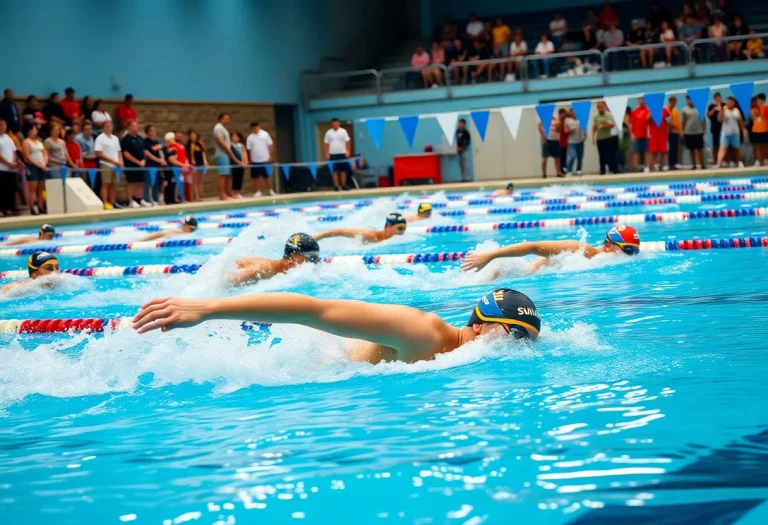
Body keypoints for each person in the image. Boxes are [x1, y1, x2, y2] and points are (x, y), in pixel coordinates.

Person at [133, 285, 541, 364]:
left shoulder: (461, 361)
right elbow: (316, 310)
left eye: (527, 339)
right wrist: (207, 308)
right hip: (310, 364)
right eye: (515, 333)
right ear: (480, 324)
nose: (520, 346)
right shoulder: (424, 331)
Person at [462, 225, 641, 276]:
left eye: (634, 252)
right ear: (608, 245)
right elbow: (532, 246)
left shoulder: (600, 265)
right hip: (508, 271)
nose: (629, 256)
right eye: (627, 251)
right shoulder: (582, 251)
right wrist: (489, 256)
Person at [231, 233, 321, 286]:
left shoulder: (277, 272)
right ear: (294, 256)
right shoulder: (264, 268)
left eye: (316, 259)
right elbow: (229, 280)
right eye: (311, 258)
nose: (314, 263)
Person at [314, 213, 407, 244]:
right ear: (388, 226)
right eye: (400, 228)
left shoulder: (393, 240)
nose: (402, 232)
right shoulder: (370, 235)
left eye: (404, 228)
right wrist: (319, 236)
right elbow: (340, 231)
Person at [120, 119, 150, 208]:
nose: (135, 128)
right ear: (129, 127)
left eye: (136, 126)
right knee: (131, 183)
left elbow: (144, 151)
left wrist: (144, 160)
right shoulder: (126, 139)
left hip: (141, 164)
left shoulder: (140, 138)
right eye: (132, 126)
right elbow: (126, 154)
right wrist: (137, 162)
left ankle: (139, 199)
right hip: (131, 165)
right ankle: (130, 200)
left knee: (140, 182)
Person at [94, 120, 123, 209]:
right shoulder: (100, 138)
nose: (109, 128)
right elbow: (99, 153)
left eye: (110, 126)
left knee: (114, 184)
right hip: (106, 164)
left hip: (116, 165)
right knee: (106, 183)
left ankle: (113, 202)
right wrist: (112, 161)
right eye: (106, 126)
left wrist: (121, 161)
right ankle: (105, 202)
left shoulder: (115, 138)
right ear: (103, 127)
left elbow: (119, 152)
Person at [21, 121, 48, 215]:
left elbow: (45, 153)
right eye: (34, 129)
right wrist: (38, 164)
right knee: (33, 189)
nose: (36, 131)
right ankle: (32, 207)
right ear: (29, 131)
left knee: (41, 188)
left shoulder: (39, 141)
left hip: (42, 167)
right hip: (32, 167)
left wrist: (44, 162)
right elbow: (27, 157)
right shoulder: (26, 142)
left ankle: (40, 206)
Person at [246, 121, 275, 198]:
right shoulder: (250, 137)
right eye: (253, 128)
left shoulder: (265, 134)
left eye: (256, 127)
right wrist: (250, 159)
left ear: (258, 126)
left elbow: (270, 145)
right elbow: (249, 149)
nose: (255, 129)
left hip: (265, 159)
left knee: (266, 176)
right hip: (255, 160)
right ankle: (258, 191)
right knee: (256, 177)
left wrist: (270, 156)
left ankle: (270, 190)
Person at [716, 96, 745, 168]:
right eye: (727, 101)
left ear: (733, 103)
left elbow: (740, 121)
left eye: (730, 101)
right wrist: (722, 110)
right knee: (722, 148)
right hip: (725, 133)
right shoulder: (724, 110)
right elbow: (719, 120)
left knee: (736, 148)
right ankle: (718, 164)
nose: (728, 103)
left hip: (735, 132)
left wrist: (743, 130)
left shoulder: (736, 111)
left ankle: (740, 162)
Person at [214, 113, 237, 200]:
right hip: (222, 154)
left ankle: (227, 192)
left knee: (227, 174)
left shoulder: (223, 128)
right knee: (223, 174)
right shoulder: (218, 128)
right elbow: (221, 142)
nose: (228, 120)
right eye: (226, 118)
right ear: (221, 119)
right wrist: (229, 151)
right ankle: (222, 195)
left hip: (226, 154)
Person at [324, 118, 351, 191]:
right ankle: (336, 186)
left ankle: (344, 185)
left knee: (343, 171)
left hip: (342, 153)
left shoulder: (343, 131)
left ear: (338, 123)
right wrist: (327, 153)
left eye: (337, 123)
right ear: (332, 124)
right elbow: (326, 143)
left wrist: (348, 151)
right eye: (334, 123)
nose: (335, 124)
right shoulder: (328, 133)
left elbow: (347, 141)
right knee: (334, 171)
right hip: (333, 154)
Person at [592, 101, 619, 174]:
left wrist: (602, 125)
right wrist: (593, 137)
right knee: (601, 155)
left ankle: (612, 169)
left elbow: (611, 125)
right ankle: (602, 170)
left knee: (610, 154)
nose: (599, 109)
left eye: (600, 107)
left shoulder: (608, 115)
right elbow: (594, 127)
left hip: (608, 138)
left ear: (604, 107)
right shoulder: (596, 117)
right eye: (598, 107)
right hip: (599, 138)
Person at [143, 124, 166, 206]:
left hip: (157, 165)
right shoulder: (145, 142)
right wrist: (158, 160)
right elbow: (147, 153)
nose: (154, 132)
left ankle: (156, 199)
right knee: (148, 182)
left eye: (154, 131)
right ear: (147, 132)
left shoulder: (156, 142)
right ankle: (147, 200)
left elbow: (160, 152)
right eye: (152, 131)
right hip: (150, 165)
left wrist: (162, 160)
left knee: (156, 183)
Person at [682, 95, 706, 169]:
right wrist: (682, 132)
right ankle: (694, 165)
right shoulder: (684, 110)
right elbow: (683, 122)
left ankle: (702, 164)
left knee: (700, 149)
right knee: (691, 150)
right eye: (688, 100)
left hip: (699, 131)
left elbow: (703, 120)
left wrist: (704, 129)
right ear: (686, 100)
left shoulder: (699, 108)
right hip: (689, 132)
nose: (690, 101)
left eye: (691, 99)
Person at [0, 119, 18, 216]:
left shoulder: (8, 138)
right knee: (1, 190)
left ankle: (8, 208)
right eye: (1, 125)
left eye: (4, 126)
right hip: (1, 168)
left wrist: (13, 162)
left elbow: (13, 151)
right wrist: (7, 163)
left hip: (10, 169)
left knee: (10, 189)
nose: (3, 127)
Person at [537, 113, 563, 178]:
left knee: (557, 157)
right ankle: (544, 173)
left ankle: (558, 172)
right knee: (545, 157)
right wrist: (543, 136)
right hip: (547, 140)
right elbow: (539, 126)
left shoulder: (556, 120)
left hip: (555, 140)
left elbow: (559, 130)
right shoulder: (544, 120)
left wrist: (557, 126)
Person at [648, 101, 671, 171]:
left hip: (663, 134)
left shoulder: (665, 111)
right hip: (654, 134)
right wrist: (650, 115)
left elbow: (669, 121)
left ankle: (664, 165)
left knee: (663, 151)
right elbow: (648, 121)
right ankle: (653, 166)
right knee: (653, 151)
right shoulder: (651, 111)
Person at [185, 129, 207, 202]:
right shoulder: (188, 145)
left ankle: (199, 195)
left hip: (201, 163)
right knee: (194, 181)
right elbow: (189, 154)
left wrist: (205, 161)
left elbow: (203, 153)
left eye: (194, 134)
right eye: (192, 135)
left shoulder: (199, 144)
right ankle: (195, 196)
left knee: (200, 181)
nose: (193, 136)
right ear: (189, 136)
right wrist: (192, 160)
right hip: (194, 164)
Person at [629, 97, 651, 172]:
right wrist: (631, 134)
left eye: (642, 99)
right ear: (637, 101)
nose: (641, 101)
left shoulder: (649, 111)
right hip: (636, 135)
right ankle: (636, 167)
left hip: (646, 135)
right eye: (639, 100)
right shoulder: (634, 112)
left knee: (647, 151)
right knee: (636, 152)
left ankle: (647, 167)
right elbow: (631, 124)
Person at [564, 108, 585, 175]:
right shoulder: (567, 120)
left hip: (580, 140)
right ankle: (569, 170)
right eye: (573, 111)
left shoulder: (580, 119)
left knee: (580, 156)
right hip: (571, 142)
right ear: (570, 112)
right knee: (572, 156)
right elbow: (565, 131)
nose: (575, 112)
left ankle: (578, 170)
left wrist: (585, 135)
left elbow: (584, 128)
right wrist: (571, 130)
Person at [707, 92, 724, 163]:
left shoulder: (724, 105)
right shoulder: (711, 106)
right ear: (714, 98)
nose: (717, 99)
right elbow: (708, 115)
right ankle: (716, 160)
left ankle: (725, 160)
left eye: (718, 97)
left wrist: (721, 108)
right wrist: (714, 109)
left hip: (724, 128)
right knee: (715, 145)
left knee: (723, 145)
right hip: (715, 128)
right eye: (716, 98)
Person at [752, 93, 768, 166]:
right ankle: (758, 161)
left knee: (765, 146)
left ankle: (765, 159)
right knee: (757, 146)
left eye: (759, 99)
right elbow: (754, 118)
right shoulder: (754, 108)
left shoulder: (766, 107)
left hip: (765, 129)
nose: (757, 101)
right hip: (756, 130)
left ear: (763, 100)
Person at [230, 131, 247, 199]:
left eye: (236, 136)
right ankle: (234, 192)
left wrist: (245, 161)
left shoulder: (241, 145)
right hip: (235, 163)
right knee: (234, 178)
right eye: (233, 136)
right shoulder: (230, 145)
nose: (235, 138)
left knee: (240, 178)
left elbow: (244, 153)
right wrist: (237, 161)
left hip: (241, 164)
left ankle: (238, 192)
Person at [667, 96, 682, 169]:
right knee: (670, 148)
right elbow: (667, 122)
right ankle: (670, 163)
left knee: (675, 148)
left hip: (676, 132)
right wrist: (671, 127)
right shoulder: (666, 110)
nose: (674, 104)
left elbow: (678, 122)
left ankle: (675, 163)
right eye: (673, 102)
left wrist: (679, 131)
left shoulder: (676, 111)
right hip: (669, 132)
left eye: (675, 102)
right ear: (670, 102)